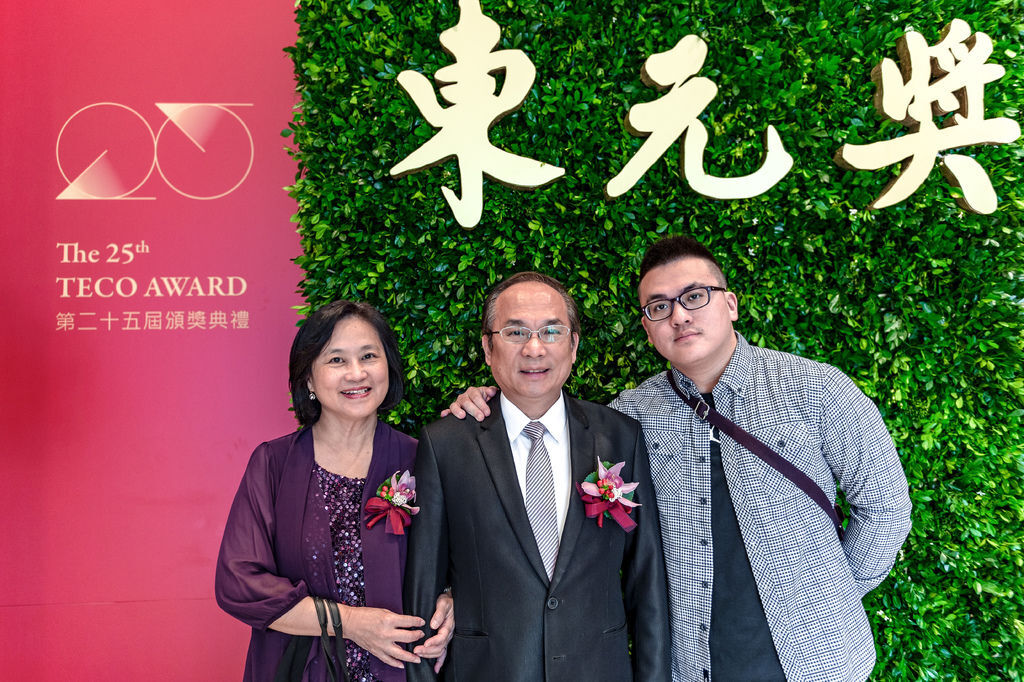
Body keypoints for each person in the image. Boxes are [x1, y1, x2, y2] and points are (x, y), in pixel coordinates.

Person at [447, 237, 913, 682]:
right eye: (659, 307)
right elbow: (552, 454)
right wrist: (492, 406)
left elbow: (886, 507)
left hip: (821, 663)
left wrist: (831, 597)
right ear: (648, 330)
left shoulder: (816, 389)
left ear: (730, 304)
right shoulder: (630, 417)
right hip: (691, 668)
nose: (679, 316)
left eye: (694, 296)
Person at [404, 272, 671, 682]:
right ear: (488, 347)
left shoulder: (619, 436)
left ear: (573, 346)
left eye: (551, 331)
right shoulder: (445, 445)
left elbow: (646, 581)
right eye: (515, 332)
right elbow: (424, 588)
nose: (534, 348)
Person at [216, 300, 455, 682]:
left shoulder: (423, 460)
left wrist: (450, 602)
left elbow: (461, 564)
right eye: (337, 360)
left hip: (400, 671)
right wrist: (351, 623)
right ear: (309, 379)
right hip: (299, 670)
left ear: (389, 368)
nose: (356, 373)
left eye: (369, 356)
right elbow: (239, 582)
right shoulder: (274, 463)